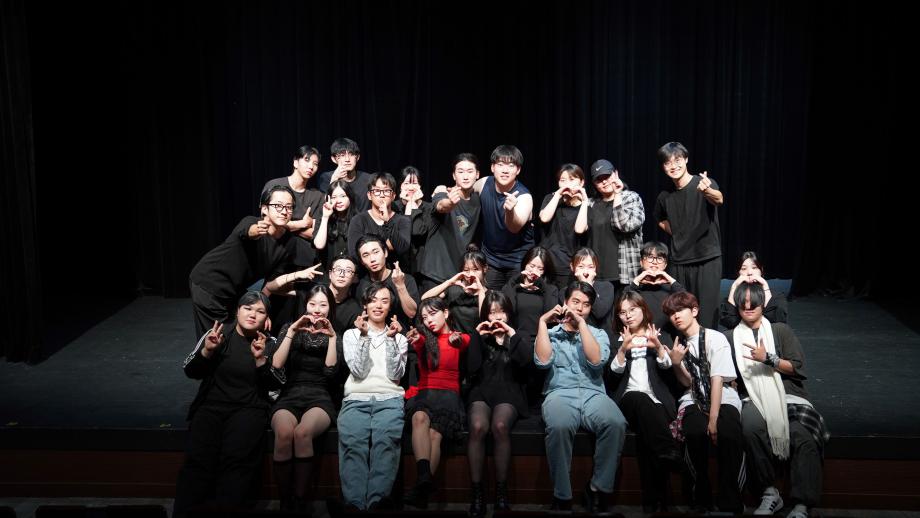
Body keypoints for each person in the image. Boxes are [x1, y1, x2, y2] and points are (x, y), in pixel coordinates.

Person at [173, 292, 284, 518]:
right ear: (237, 311)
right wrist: (207, 351)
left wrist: (260, 360)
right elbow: (190, 370)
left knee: (237, 463)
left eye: (260, 311)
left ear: (267, 318)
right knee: (198, 461)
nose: (253, 314)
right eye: (248, 308)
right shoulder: (218, 333)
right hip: (211, 406)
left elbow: (278, 383)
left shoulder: (270, 343)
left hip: (249, 408)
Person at [727, 283, 828, 518]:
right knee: (751, 428)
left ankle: (802, 504)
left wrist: (769, 359)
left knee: (802, 436)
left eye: (754, 303)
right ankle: (769, 491)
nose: (749, 307)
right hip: (752, 396)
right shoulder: (730, 337)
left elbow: (797, 367)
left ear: (763, 304)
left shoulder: (780, 331)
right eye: (744, 303)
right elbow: (727, 375)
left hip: (789, 395)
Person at [534, 281, 627, 512]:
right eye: (575, 302)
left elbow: (596, 361)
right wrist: (542, 323)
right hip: (559, 392)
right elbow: (542, 362)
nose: (580, 308)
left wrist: (582, 325)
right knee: (559, 425)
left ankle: (597, 489)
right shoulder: (550, 333)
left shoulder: (598, 333)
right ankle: (562, 495)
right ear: (565, 302)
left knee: (616, 422)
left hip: (593, 392)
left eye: (586, 304)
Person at [188, 185, 322, 338]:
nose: (284, 211)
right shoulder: (251, 222)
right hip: (209, 283)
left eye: (289, 207)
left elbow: (270, 284)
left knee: (239, 335)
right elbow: (248, 231)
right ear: (264, 209)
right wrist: (256, 230)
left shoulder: (289, 243)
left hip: (235, 291)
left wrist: (262, 309)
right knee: (216, 338)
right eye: (278, 206)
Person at [663, 291, 744, 514]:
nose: (675, 316)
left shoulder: (714, 338)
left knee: (729, 433)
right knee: (694, 432)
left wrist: (714, 419)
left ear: (694, 311)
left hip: (723, 395)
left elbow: (717, 378)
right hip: (692, 397)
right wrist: (676, 363)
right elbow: (688, 382)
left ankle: (731, 498)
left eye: (680, 310)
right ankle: (700, 496)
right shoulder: (678, 343)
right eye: (671, 313)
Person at [338, 282, 409, 511]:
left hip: (389, 399)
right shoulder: (351, 334)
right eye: (373, 300)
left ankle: (377, 505)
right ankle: (355, 505)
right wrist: (363, 336)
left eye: (384, 301)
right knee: (353, 446)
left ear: (390, 308)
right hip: (356, 400)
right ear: (365, 305)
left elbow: (396, 375)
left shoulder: (399, 338)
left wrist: (391, 339)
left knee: (386, 446)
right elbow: (358, 371)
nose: (378, 305)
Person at [270, 285, 339, 513]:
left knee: (302, 433)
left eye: (323, 305)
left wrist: (331, 338)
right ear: (305, 305)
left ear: (330, 308)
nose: (317, 309)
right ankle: (285, 502)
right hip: (290, 394)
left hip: (319, 396)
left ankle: (301, 501)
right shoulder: (289, 327)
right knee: (283, 433)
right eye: (312, 304)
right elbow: (276, 364)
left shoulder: (335, 333)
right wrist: (292, 331)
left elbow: (330, 371)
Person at [609, 291, 680, 513]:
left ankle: (655, 501)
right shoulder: (615, 338)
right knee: (639, 397)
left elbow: (668, 368)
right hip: (627, 400)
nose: (628, 315)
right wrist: (623, 349)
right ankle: (669, 449)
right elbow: (611, 376)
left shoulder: (659, 335)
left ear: (643, 309)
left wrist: (657, 347)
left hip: (657, 401)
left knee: (647, 437)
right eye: (622, 312)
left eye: (632, 309)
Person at [466, 290, 531, 517]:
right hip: (482, 390)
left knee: (500, 426)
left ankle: (501, 494)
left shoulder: (519, 334)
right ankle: (477, 494)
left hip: (509, 390)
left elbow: (527, 363)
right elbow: (471, 368)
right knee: (477, 427)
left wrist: (510, 336)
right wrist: (477, 337)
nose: (497, 317)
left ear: (508, 313)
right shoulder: (480, 335)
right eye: (492, 312)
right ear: (486, 315)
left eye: (501, 311)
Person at [403, 298, 471, 509]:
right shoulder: (424, 338)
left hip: (448, 396)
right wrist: (416, 338)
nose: (429, 320)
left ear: (446, 313)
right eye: (424, 317)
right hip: (425, 394)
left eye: (433, 314)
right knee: (419, 417)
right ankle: (424, 477)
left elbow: (462, 342)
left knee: (435, 435)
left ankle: (421, 488)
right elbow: (418, 342)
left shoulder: (459, 337)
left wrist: (457, 340)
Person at [654, 142, 724, 329]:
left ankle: (707, 347)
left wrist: (707, 191)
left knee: (707, 314)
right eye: (668, 162)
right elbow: (659, 219)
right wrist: (678, 232)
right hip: (680, 261)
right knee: (682, 312)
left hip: (707, 258)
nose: (673, 166)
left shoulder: (703, 183)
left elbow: (719, 199)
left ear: (686, 160)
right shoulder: (664, 196)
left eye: (677, 160)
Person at [473, 145, 535, 289]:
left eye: (511, 165)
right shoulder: (483, 184)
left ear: (518, 170)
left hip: (518, 261)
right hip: (491, 259)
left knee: (515, 300)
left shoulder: (524, 197)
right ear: (492, 167)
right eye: (500, 164)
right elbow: (464, 192)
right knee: (489, 299)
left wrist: (510, 210)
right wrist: (443, 190)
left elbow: (514, 228)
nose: (505, 170)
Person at [420, 153, 482, 293]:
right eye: (460, 172)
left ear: (477, 174)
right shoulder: (443, 193)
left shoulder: (477, 200)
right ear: (454, 175)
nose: (465, 176)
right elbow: (441, 206)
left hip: (459, 276)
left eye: (470, 171)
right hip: (435, 273)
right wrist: (450, 203)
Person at [260, 145, 326, 269]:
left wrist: (284, 225)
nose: (311, 166)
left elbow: (316, 234)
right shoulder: (274, 185)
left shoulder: (317, 196)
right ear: (295, 162)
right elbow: (267, 222)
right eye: (307, 160)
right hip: (275, 255)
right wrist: (302, 224)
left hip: (305, 260)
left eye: (315, 164)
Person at [586, 159, 645, 288]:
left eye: (607, 176)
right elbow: (579, 231)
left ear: (616, 174)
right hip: (596, 272)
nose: (604, 182)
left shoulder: (631, 198)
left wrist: (617, 194)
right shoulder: (590, 203)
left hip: (624, 271)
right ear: (594, 184)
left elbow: (624, 226)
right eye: (599, 179)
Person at [537, 164, 590, 289]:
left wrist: (584, 201)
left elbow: (579, 229)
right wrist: (558, 195)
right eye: (562, 180)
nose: (567, 184)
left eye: (572, 179)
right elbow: (544, 218)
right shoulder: (551, 198)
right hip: (547, 263)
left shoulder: (587, 206)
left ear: (581, 182)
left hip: (569, 266)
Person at [353, 235, 419, 331]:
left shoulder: (405, 279)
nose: (372, 259)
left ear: (385, 253)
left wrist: (400, 285)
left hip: (400, 335)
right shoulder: (360, 285)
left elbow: (412, 313)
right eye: (366, 255)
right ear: (362, 261)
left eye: (376, 252)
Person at [420, 244, 488, 334]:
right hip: (455, 339)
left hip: (478, 339)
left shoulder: (489, 295)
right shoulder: (454, 290)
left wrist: (480, 291)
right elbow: (425, 299)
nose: (471, 274)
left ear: (485, 269)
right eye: (466, 270)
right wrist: (450, 282)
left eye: (475, 269)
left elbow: (484, 320)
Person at [346, 172, 412, 263]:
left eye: (386, 191)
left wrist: (387, 221)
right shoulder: (358, 220)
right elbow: (354, 253)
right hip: (365, 271)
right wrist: (387, 246)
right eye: (377, 191)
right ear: (369, 195)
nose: (382, 195)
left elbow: (402, 249)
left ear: (393, 196)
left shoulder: (403, 221)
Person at [624, 242, 685, 338]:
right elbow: (623, 303)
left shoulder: (671, 289)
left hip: (665, 338)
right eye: (650, 257)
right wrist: (637, 280)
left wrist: (669, 279)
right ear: (641, 262)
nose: (654, 262)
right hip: (638, 338)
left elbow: (686, 301)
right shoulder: (634, 288)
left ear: (665, 265)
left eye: (660, 258)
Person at [720, 251, 789, 329]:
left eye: (754, 268)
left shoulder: (776, 296)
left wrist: (765, 285)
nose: (749, 272)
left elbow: (777, 321)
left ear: (761, 270)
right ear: (738, 273)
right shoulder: (732, 298)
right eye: (744, 269)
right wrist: (734, 287)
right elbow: (729, 322)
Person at [392, 166, 431, 279]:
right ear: (400, 186)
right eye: (406, 183)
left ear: (420, 186)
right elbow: (402, 236)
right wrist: (409, 205)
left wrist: (412, 205)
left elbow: (417, 231)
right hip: (399, 263)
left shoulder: (428, 208)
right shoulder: (394, 207)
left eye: (414, 183)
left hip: (422, 266)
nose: (410, 187)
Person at [568, 247, 616, 339]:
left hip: (601, 338)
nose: (586, 272)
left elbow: (599, 312)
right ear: (572, 267)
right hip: (576, 338)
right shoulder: (567, 291)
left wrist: (588, 285)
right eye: (581, 267)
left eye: (590, 267)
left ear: (596, 268)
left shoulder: (606, 286)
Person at [316, 137, 373, 213]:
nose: (347, 159)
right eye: (342, 155)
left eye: (351, 154)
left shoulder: (368, 179)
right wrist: (334, 179)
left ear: (357, 157)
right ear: (334, 159)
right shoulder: (326, 178)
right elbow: (324, 205)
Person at [313, 180, 356, 269]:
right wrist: (325, 217)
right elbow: (319, 245)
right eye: (334, 197)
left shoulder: (358, 219)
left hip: (350, 270)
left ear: (350, 197)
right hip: (326, 270)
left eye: (343, 196)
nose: (338, 201)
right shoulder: (323, 217)